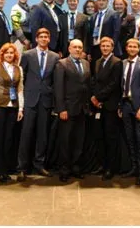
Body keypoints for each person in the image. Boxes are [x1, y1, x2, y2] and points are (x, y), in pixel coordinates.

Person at [16, 28, 60, 181]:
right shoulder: (27, 55)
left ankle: (39, 164)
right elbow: (21, 77)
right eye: (41, 36)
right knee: (26, 134)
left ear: (49, 39)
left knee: (43, 135)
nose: (43, 39)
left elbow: (55, 80)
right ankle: (22, 167)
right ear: (36, 39)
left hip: (46, 101)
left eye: (46, 36)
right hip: (30, 99)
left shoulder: (55, 57)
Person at [54, 39, 91, 182]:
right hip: (67, 110)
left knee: (79, 141)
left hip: (82, 109)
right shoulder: (62, 64)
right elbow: (58, 88)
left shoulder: (86, 64)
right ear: (69, 49)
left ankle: (76, 167)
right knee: (65, 141)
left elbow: (87, 86)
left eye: (80, 47)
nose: (78, 49)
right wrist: (61, 109)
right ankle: (64, 169)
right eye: (75, 47)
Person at [120, 38, 140, 186]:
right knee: (130, 138)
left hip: (139, 106)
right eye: (130, 46)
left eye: (135, 46)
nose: (132, 48)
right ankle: (134, 167)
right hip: (126, 104)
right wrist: (120, 106)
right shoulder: (122, 63)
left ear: (139, 49)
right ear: (126, 48)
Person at [0, 43, 25, 182]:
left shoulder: (19, 68)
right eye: (7, 53)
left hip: (13, 106)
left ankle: (6, 169)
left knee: (9, 138)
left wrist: (20, 108)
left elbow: (20, 88)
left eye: (11, 53)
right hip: (0, 105)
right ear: (2, 54)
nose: (9, 55)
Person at [90, 36, 123, 180]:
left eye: (107, 46)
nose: (105, 48)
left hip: (110, 105)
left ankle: (110, 168)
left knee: (110, 137)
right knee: (100, 136)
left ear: (112, 47)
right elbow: (94, 81)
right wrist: (94, 97)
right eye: (103, 46)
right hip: (98, 105)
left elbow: (114, 84)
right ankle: (101, 165)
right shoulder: (97, 62)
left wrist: (98, 97)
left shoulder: (117, 62)